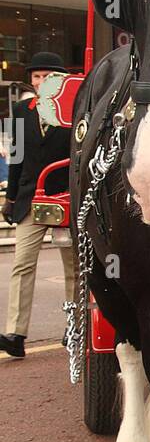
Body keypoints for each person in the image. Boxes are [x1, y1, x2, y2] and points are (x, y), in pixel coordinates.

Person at [0, 53, 75, 359]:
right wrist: (11, 196)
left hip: (64, 199)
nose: (41, 82)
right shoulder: (19, 111)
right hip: (31, 198)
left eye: (47, 76)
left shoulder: (73, 108)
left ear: (60, 79)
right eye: (36, 77)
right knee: (22, 265)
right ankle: (15, 334)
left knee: (74, 270)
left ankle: (73, 329)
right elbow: (15, 156)